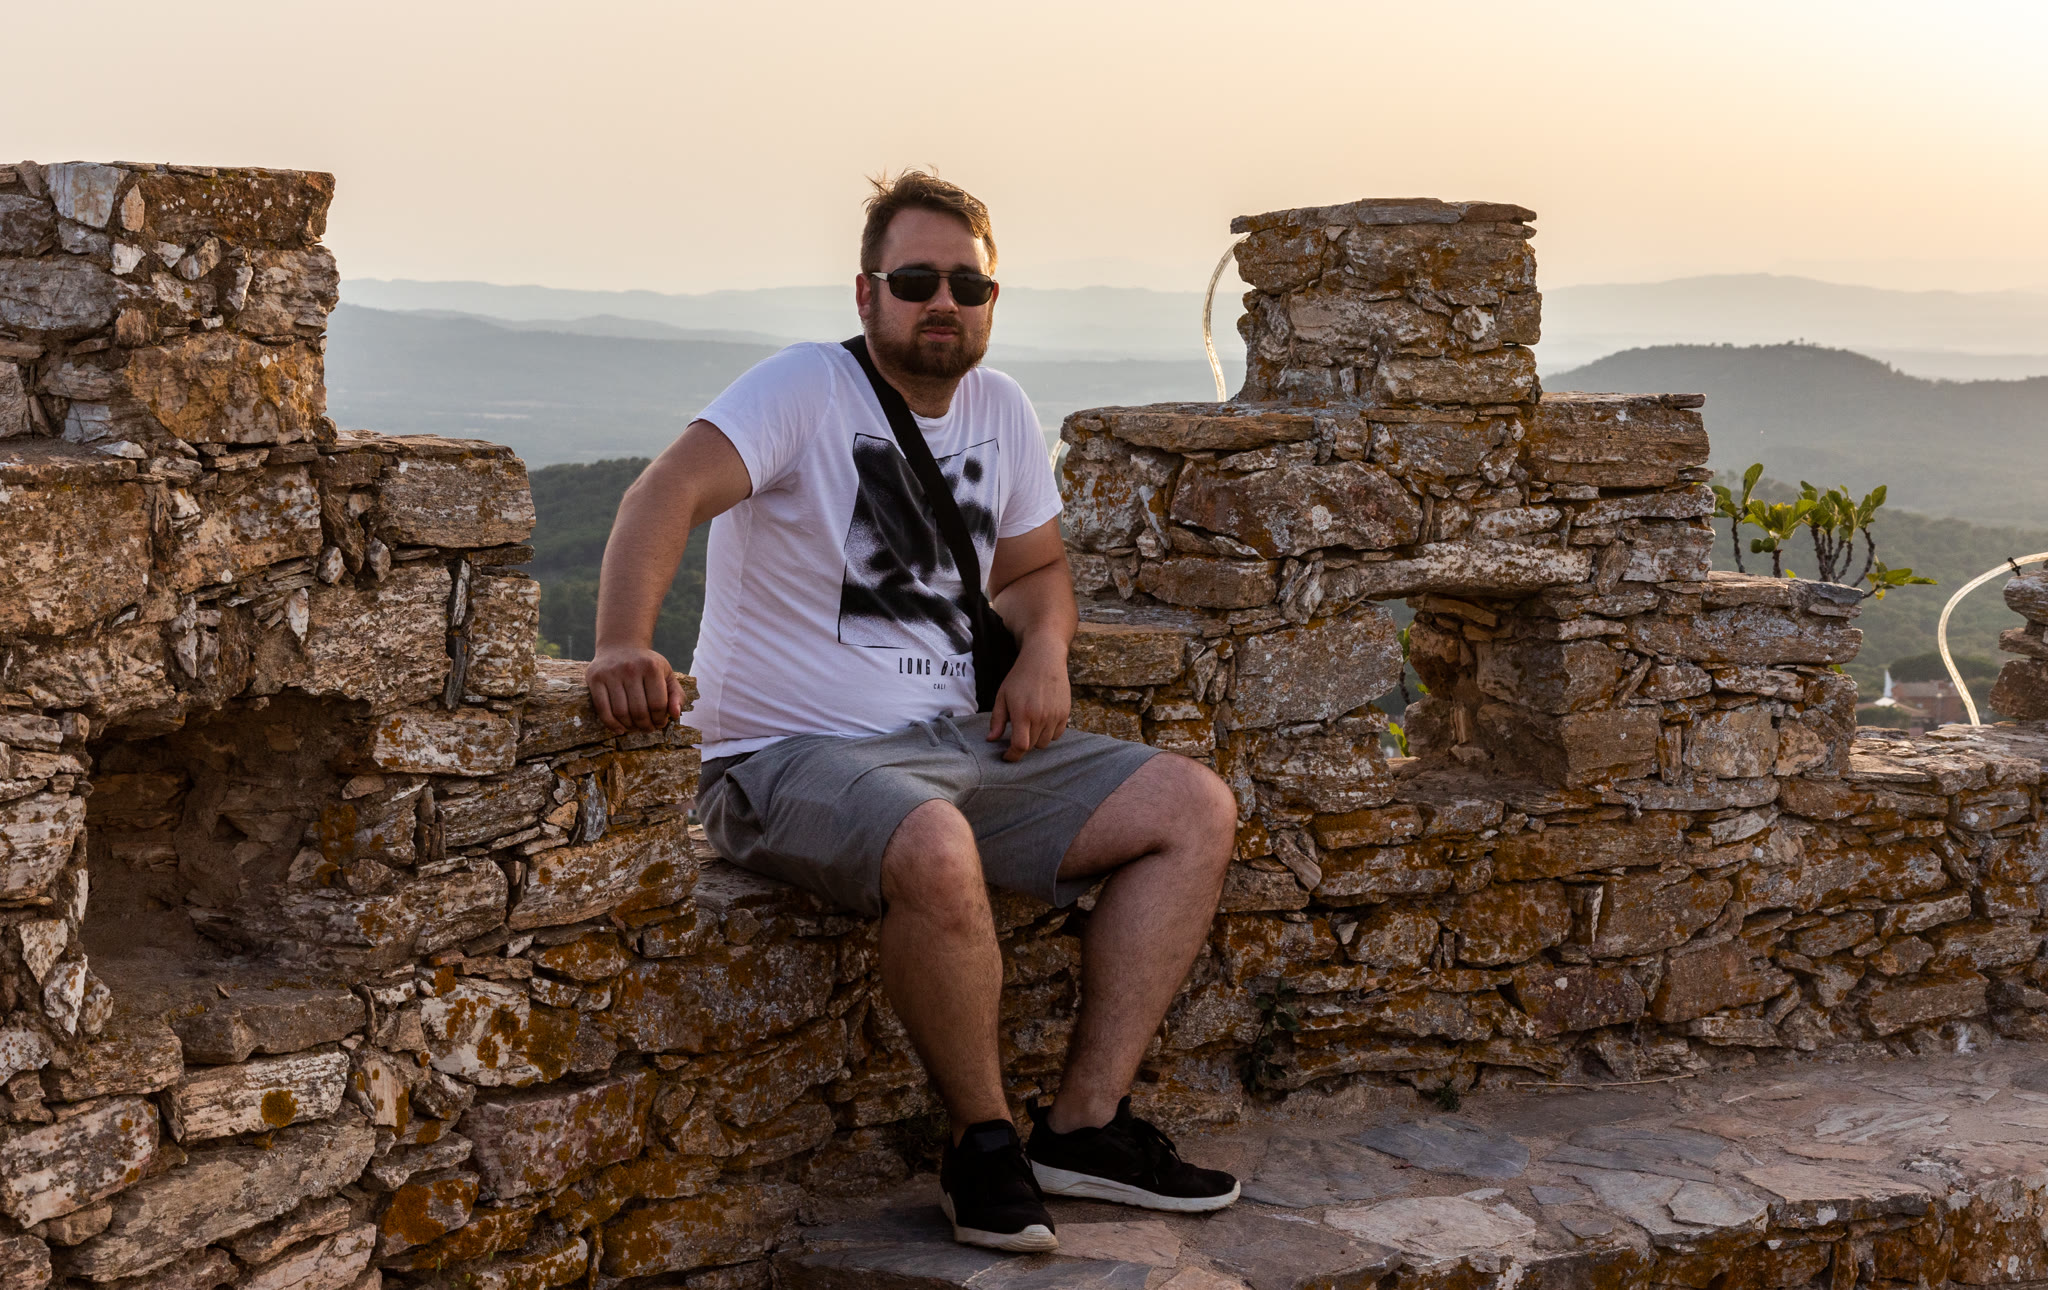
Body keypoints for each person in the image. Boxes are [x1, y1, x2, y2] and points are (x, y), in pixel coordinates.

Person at [584, 171, 1240, 1253]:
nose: (944, 302)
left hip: (958, 744)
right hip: (783, 756)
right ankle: (982, 1147)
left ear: (991, 299)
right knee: (933, 844)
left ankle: (1082, 1129)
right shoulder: (804, 388)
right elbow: (665, 493)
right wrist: (620, 643)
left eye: (966, 285)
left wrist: (1045, 650)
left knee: (1193, 808)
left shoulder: (1000, 409)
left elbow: (1033, 569)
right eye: (916, 280)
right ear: (866, 292)